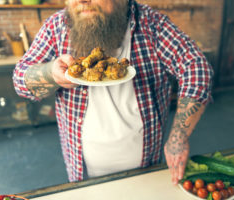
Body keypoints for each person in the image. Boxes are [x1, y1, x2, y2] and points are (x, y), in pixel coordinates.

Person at [13, 0, 213, 185]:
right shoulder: (57, 26)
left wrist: (178, 137)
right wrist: (50, 73)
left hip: (146, 170)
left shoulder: (153, 25)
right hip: (80, 171)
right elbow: (20, 80)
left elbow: (196, 67)